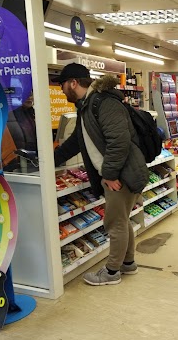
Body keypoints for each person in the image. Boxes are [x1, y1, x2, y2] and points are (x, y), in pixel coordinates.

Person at [52, 63, 149, 286]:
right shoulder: (87, 106)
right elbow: (78, 140)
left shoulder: (103, 103)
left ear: (73, 83)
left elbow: (119, 141)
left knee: (114, 224)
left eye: (63, 85)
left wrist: (109, 174)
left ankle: (112, 272)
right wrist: (50, 159)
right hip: (120, 172)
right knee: (122, 221)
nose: (62, 89)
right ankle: (128, 263)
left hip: (122, 174)